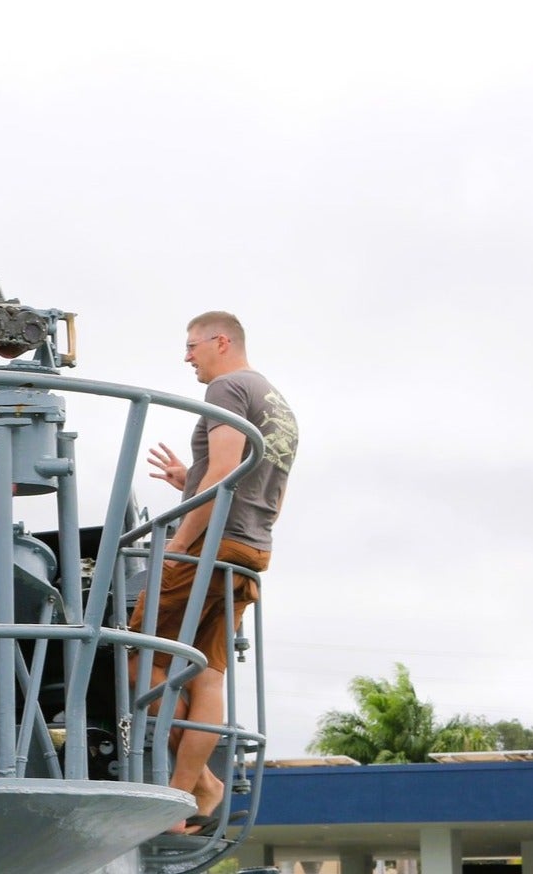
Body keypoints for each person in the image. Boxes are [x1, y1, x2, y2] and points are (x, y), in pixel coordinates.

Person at [132, 311, 298, 832]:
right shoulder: (278, 402)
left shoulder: (227, 387)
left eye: (192, 346)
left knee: (140, 652)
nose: (187, 356)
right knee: (207, 671)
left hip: (210, 545)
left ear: (220, 342)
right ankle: (196, 788)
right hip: (252, 549)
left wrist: (180, 543)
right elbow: (261, 483)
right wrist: (190, 478)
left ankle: (193, 787)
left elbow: (226, 473)